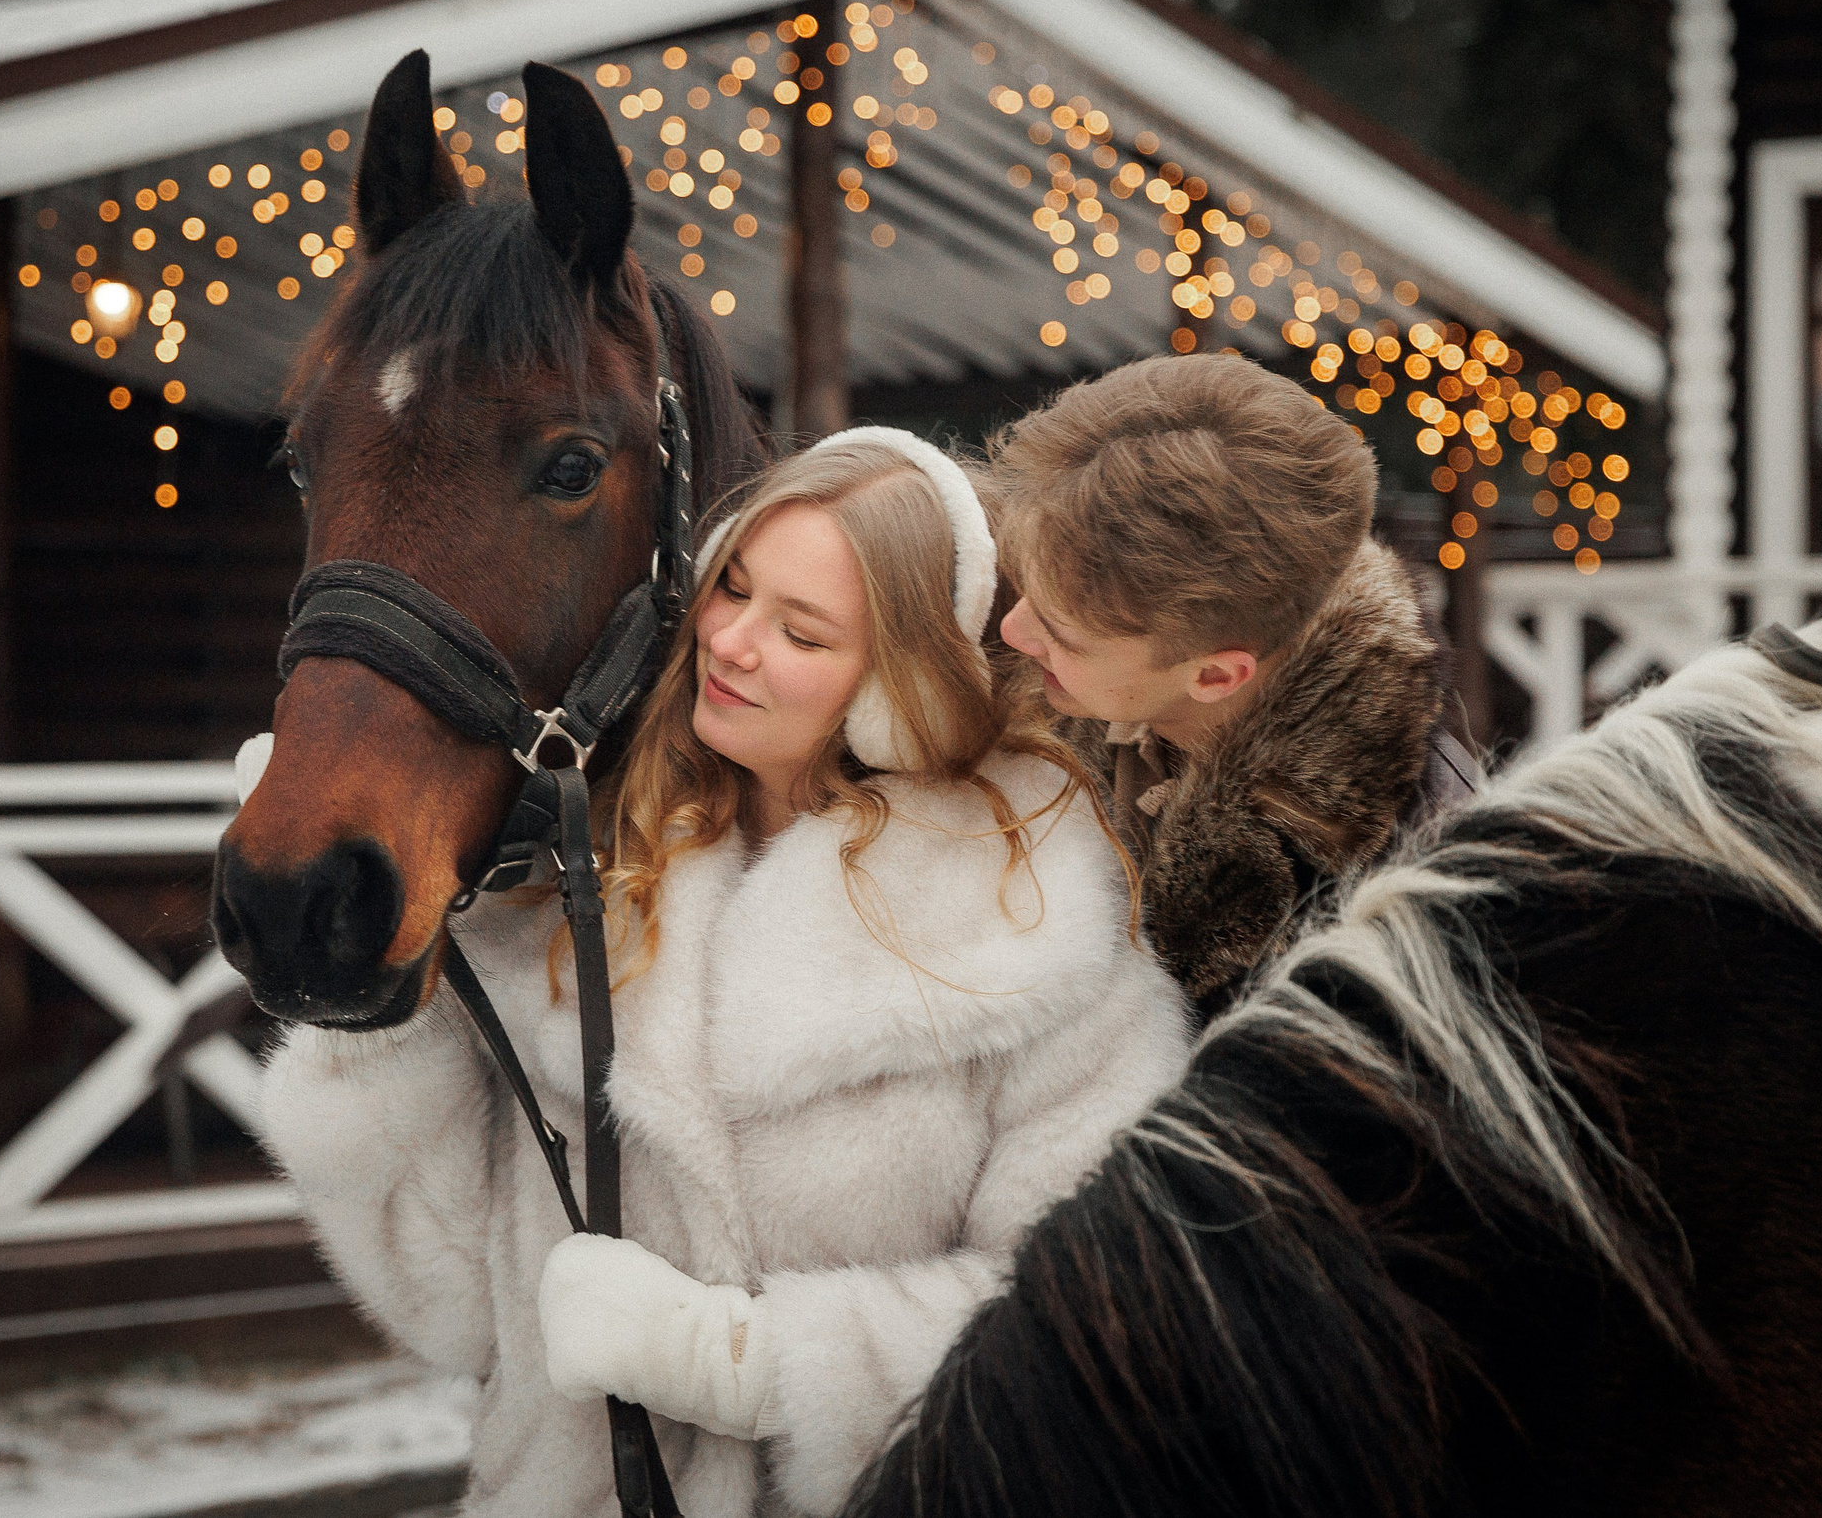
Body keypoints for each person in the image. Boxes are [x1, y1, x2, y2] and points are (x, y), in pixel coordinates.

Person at [255, 427, 1188, 1518]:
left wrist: (745, 1364)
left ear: (903, 687)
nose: (732, 642)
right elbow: (453, 1303)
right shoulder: (576, 882)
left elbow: (1094, 1315)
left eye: (800, 629)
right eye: (731, 586)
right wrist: (369, 984)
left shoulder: (1040, 934)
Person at [991, 352, 1479, 1017]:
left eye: (1062, 634)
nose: (1013, 631)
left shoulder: (1408, 893)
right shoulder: (1025, 683)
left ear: (1217, 675)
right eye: (1026, 590)